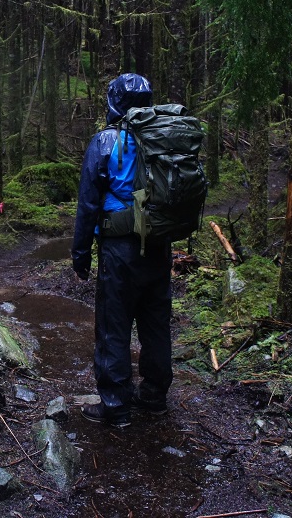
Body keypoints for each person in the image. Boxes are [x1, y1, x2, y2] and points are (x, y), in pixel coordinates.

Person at [71, 73, 173, 427]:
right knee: (155, 323)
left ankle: (116, 406)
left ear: (114, 102)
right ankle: (155, 396)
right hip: (159, 246)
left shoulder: (105, 141)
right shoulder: (163, 138)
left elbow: (88, 204)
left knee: (114, 325)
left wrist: (80, 255)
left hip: (118, 250)